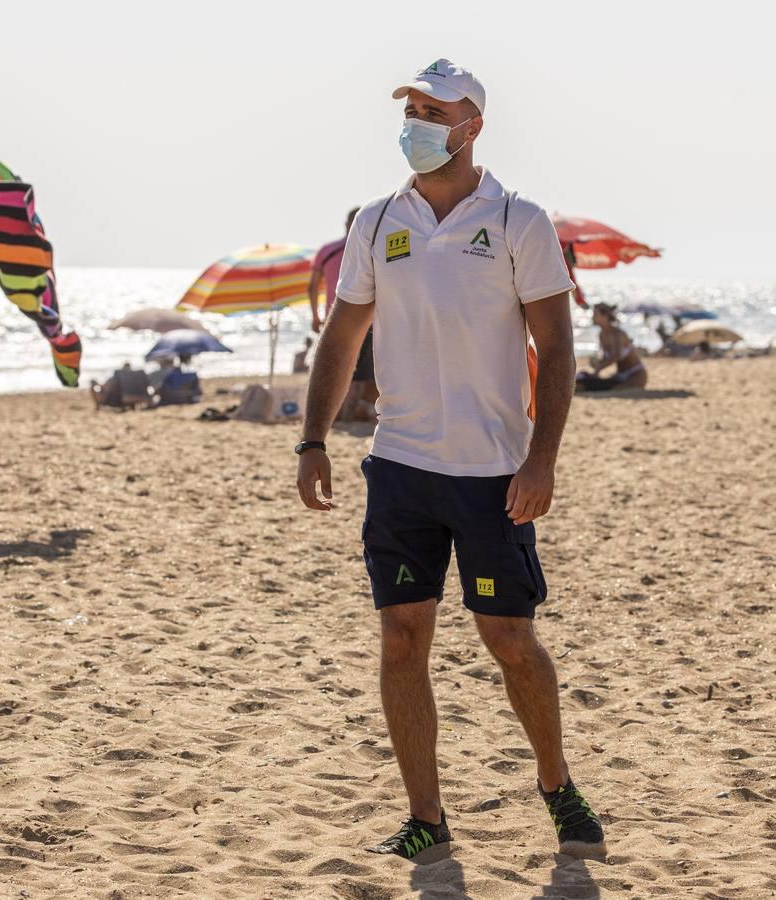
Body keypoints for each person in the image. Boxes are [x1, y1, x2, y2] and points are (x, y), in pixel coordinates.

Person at [295, 59, 606, 862]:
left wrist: (541, 460)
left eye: (434, 110)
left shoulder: (517, 220)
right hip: (399, 467)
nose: (417, 124)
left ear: (472, 125)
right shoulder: (375, 221)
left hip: (493, 472)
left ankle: (555, 784)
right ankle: (426, 818)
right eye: (411, 109)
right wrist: (312, 438)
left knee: (508, 639)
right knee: (401, 639)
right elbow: (343, 334)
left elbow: (557, 345)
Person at [310, 207, 377, 420]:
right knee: (367, 368)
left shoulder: (328, 250)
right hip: (361, 317)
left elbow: (312, 285)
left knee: (341, 365)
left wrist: (315, 316)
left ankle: (341, 412)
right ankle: (361, 406)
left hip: (340, 316)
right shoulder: (373, 245)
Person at [575, 303, 647, 392]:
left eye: (595, 314)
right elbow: (606, 359)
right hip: (620, 374)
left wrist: (599, 368)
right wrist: (596, 364)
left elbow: (616, 356)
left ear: (604, 316)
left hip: (635, 374)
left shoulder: (617, 333)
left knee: (616, 390)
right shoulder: (601, 335)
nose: (592, 317)